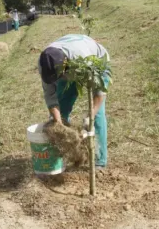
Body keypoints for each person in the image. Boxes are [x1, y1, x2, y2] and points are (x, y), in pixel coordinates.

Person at [38, 34, 110, 169]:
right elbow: (51, 97)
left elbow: (100, 93)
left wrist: (91, 115)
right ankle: (61, 155)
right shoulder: (45, 64)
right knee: (62, 104)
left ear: (64, 67)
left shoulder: (85, 59)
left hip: (97, 63)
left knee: (97, 115)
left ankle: (99, 161)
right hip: (69, 66)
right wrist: (59, 125)